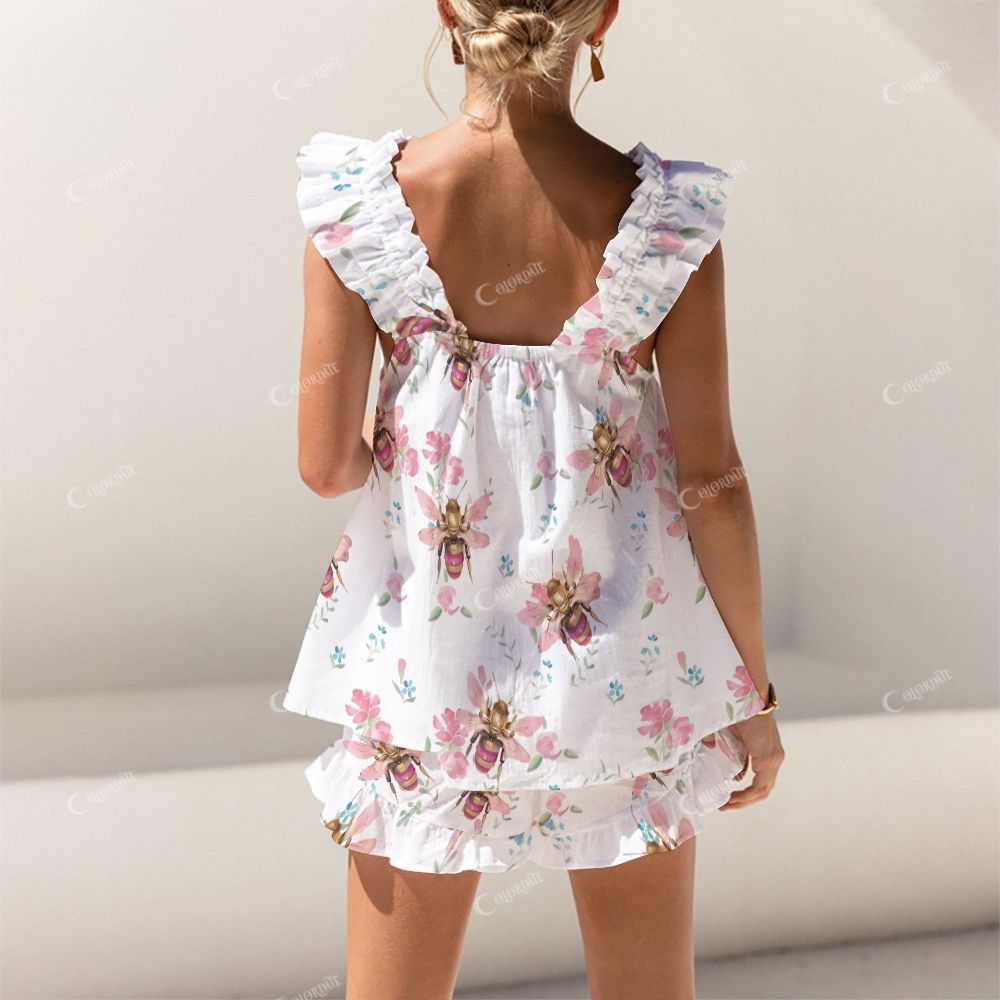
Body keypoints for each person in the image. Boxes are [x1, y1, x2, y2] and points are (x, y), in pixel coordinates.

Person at [283, 2, 785, 997]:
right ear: (603, 18)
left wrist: (433, 413)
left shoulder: (360, 206)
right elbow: (712, 485)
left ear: (447, 10)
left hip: (425, 672)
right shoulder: (665, 222)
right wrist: (752, 700)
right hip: (622, 674)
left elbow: (327, 466)